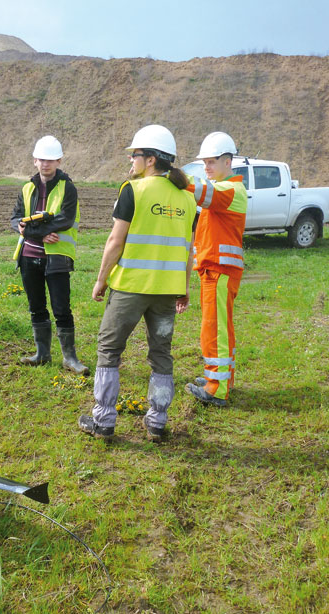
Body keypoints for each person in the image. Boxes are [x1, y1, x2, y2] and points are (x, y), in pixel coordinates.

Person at [78, 124, 197, 443]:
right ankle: (157, 421)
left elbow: (116, 241)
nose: (131, 161)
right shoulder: (187, 200)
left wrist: (101, 280)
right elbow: (188, 250)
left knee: (109, 349)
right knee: (162, 354)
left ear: (151, 160)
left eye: (135, 155)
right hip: (166, 293)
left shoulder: (133, 190)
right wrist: (184, 288)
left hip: (130, 288)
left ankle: (103, 420)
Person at [11, 135, 89, 375]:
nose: (46, 164)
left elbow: (65, 219)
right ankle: (42, 354)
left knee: (61, 309)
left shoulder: (68, 188)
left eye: (51, 160)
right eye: (42, 159)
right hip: (28, 257)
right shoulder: (27, 188)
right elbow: (15, 219)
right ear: (35, 160)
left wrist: (33, 231)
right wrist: (40, 235)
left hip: (57, 258)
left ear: (59, 161)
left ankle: (70, 358)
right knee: (36, 307)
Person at [184, 131, 247, 407]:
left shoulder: (228, 189)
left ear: (227, 162)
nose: (206, 168)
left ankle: (217, 388)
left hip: (219, 271)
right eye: (204, 163)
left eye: (211, 162)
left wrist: (171, 175)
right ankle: (222, 377)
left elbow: (200, 191)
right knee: (222, 326)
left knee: (214, 328)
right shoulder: (225, 189)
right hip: (217, 270)